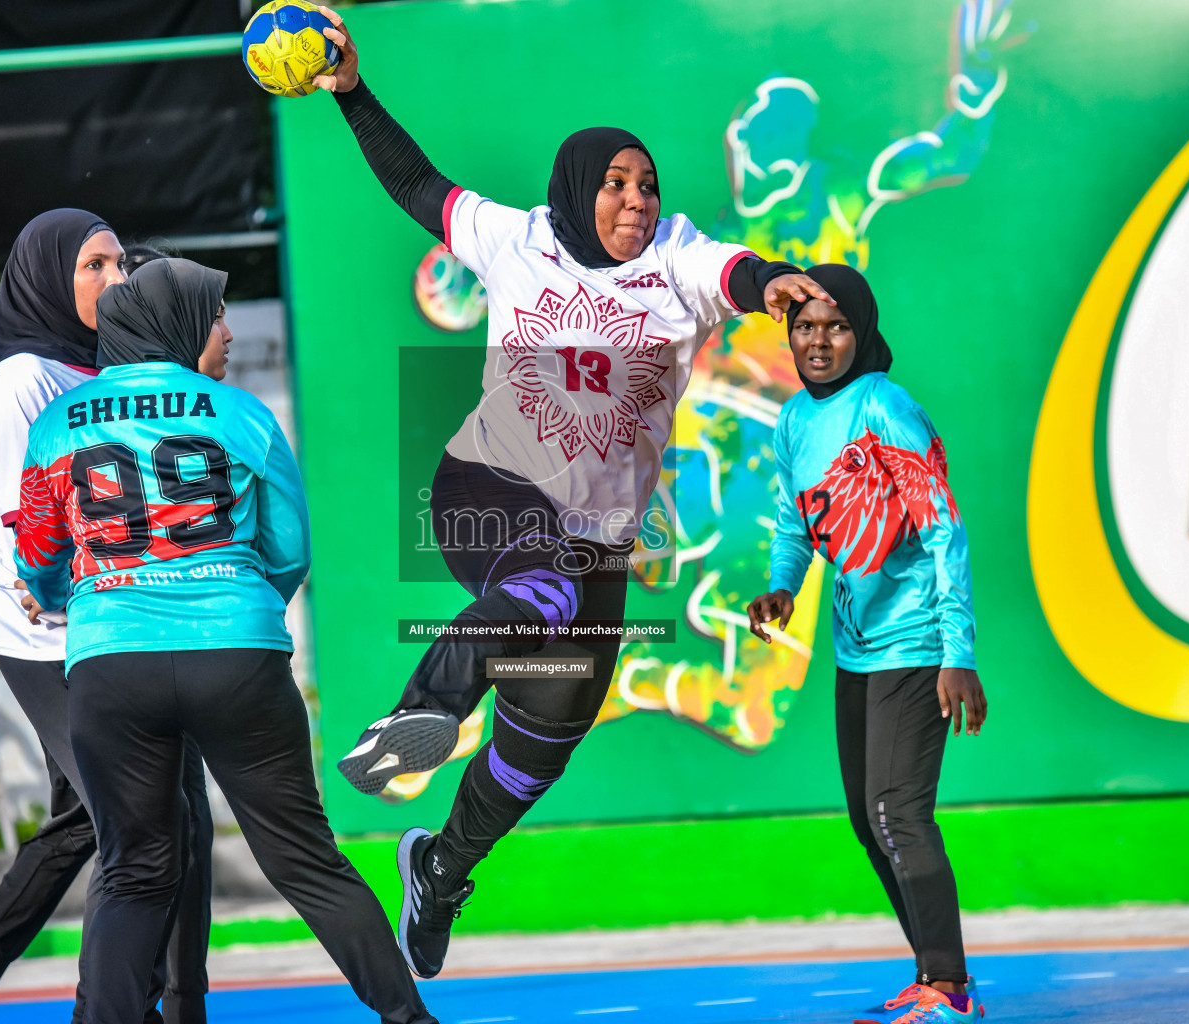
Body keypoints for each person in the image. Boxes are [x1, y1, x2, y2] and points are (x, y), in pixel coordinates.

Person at [307, 6, 836, 979]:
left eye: (647, 183)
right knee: (539, 584)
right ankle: (422, 710)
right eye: (616, 183)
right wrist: (349, 90)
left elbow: (735, 268)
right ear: (576, 187)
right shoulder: (517, 240)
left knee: (535, 753)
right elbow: (419, 184)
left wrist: (775, 284)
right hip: (489, 487)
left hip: (597, 539)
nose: (637, 198)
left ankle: (442, 865)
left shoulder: (674, 258)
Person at [12, 258, 437, 1024]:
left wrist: (81, 601)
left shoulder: (53, 425)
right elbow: (289, 552)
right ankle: (412, 1020)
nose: (228, 331)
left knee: (133, 873)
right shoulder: (242, 416)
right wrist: (236, 613)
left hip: (110, 667)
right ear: (176, 325)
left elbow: (38, 561)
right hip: (237, 658)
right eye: (215, 316)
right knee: (305, 862)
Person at [0, 220, 212, 1024]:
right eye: (94, 265)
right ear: (50, 278)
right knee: (141, 825)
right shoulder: (23, 383)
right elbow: (31, 524)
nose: (115, 277)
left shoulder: (105, 369)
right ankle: (113, 1009)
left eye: (120, 262)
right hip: (54, 644)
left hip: (120, 631)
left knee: (109, 817)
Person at [746, 264, 987, 1024]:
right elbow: (795, 524)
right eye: (805, 327)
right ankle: (932, 977)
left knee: (899, 812)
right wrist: (784, 585)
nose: (819, 341)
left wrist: (959, 653)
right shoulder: (793, 421)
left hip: (917, 642)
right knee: (867, 815)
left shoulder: (885, 408)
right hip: (856, 649)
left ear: (862, 331)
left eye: (836, 326)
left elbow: (944, 529)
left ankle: (948, 990)